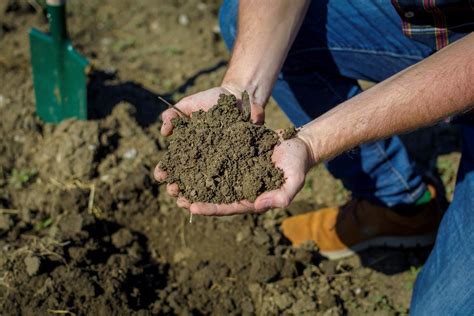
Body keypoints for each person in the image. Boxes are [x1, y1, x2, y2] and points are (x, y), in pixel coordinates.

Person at [155, 0, 474, 313]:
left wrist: (312, 141)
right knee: (247, 21)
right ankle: (398, 206)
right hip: (440, 23)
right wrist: (241, 87)